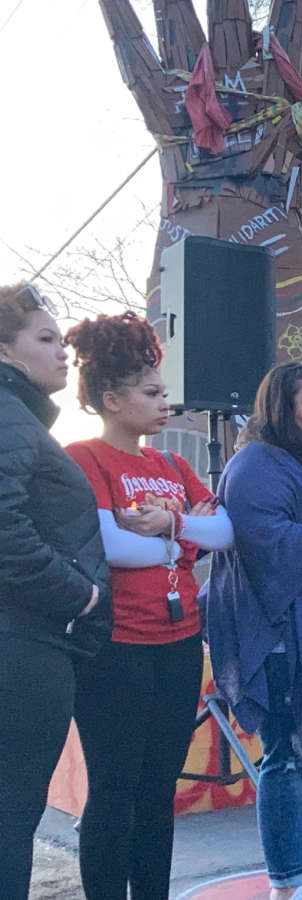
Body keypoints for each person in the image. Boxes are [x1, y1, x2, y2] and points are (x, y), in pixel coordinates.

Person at [62, 312, 234, 899]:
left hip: (179, 640)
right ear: (112, 398)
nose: (165, 403)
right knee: (116, 787)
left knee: (158, 786)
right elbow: (110, 546)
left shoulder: (173, 465)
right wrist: (177, 538)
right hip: (116, 646)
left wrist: (170, 526)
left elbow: (227, 531)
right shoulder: (84, 458)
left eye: (164, 392)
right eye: (151, 392)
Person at [203, 363, 302, 900]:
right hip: (274, 635)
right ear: (282, 409)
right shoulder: (253, 465)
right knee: (288, 756)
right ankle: (287, 885)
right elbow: (265, 538)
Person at [0, 283, 109, 899]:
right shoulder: (8, 414)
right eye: (45, 338)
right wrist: (80, 596)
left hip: (25, 639)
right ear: (4, 351)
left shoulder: (18, 417)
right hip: (23, 644)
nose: (62, 351)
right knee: (11, 816)